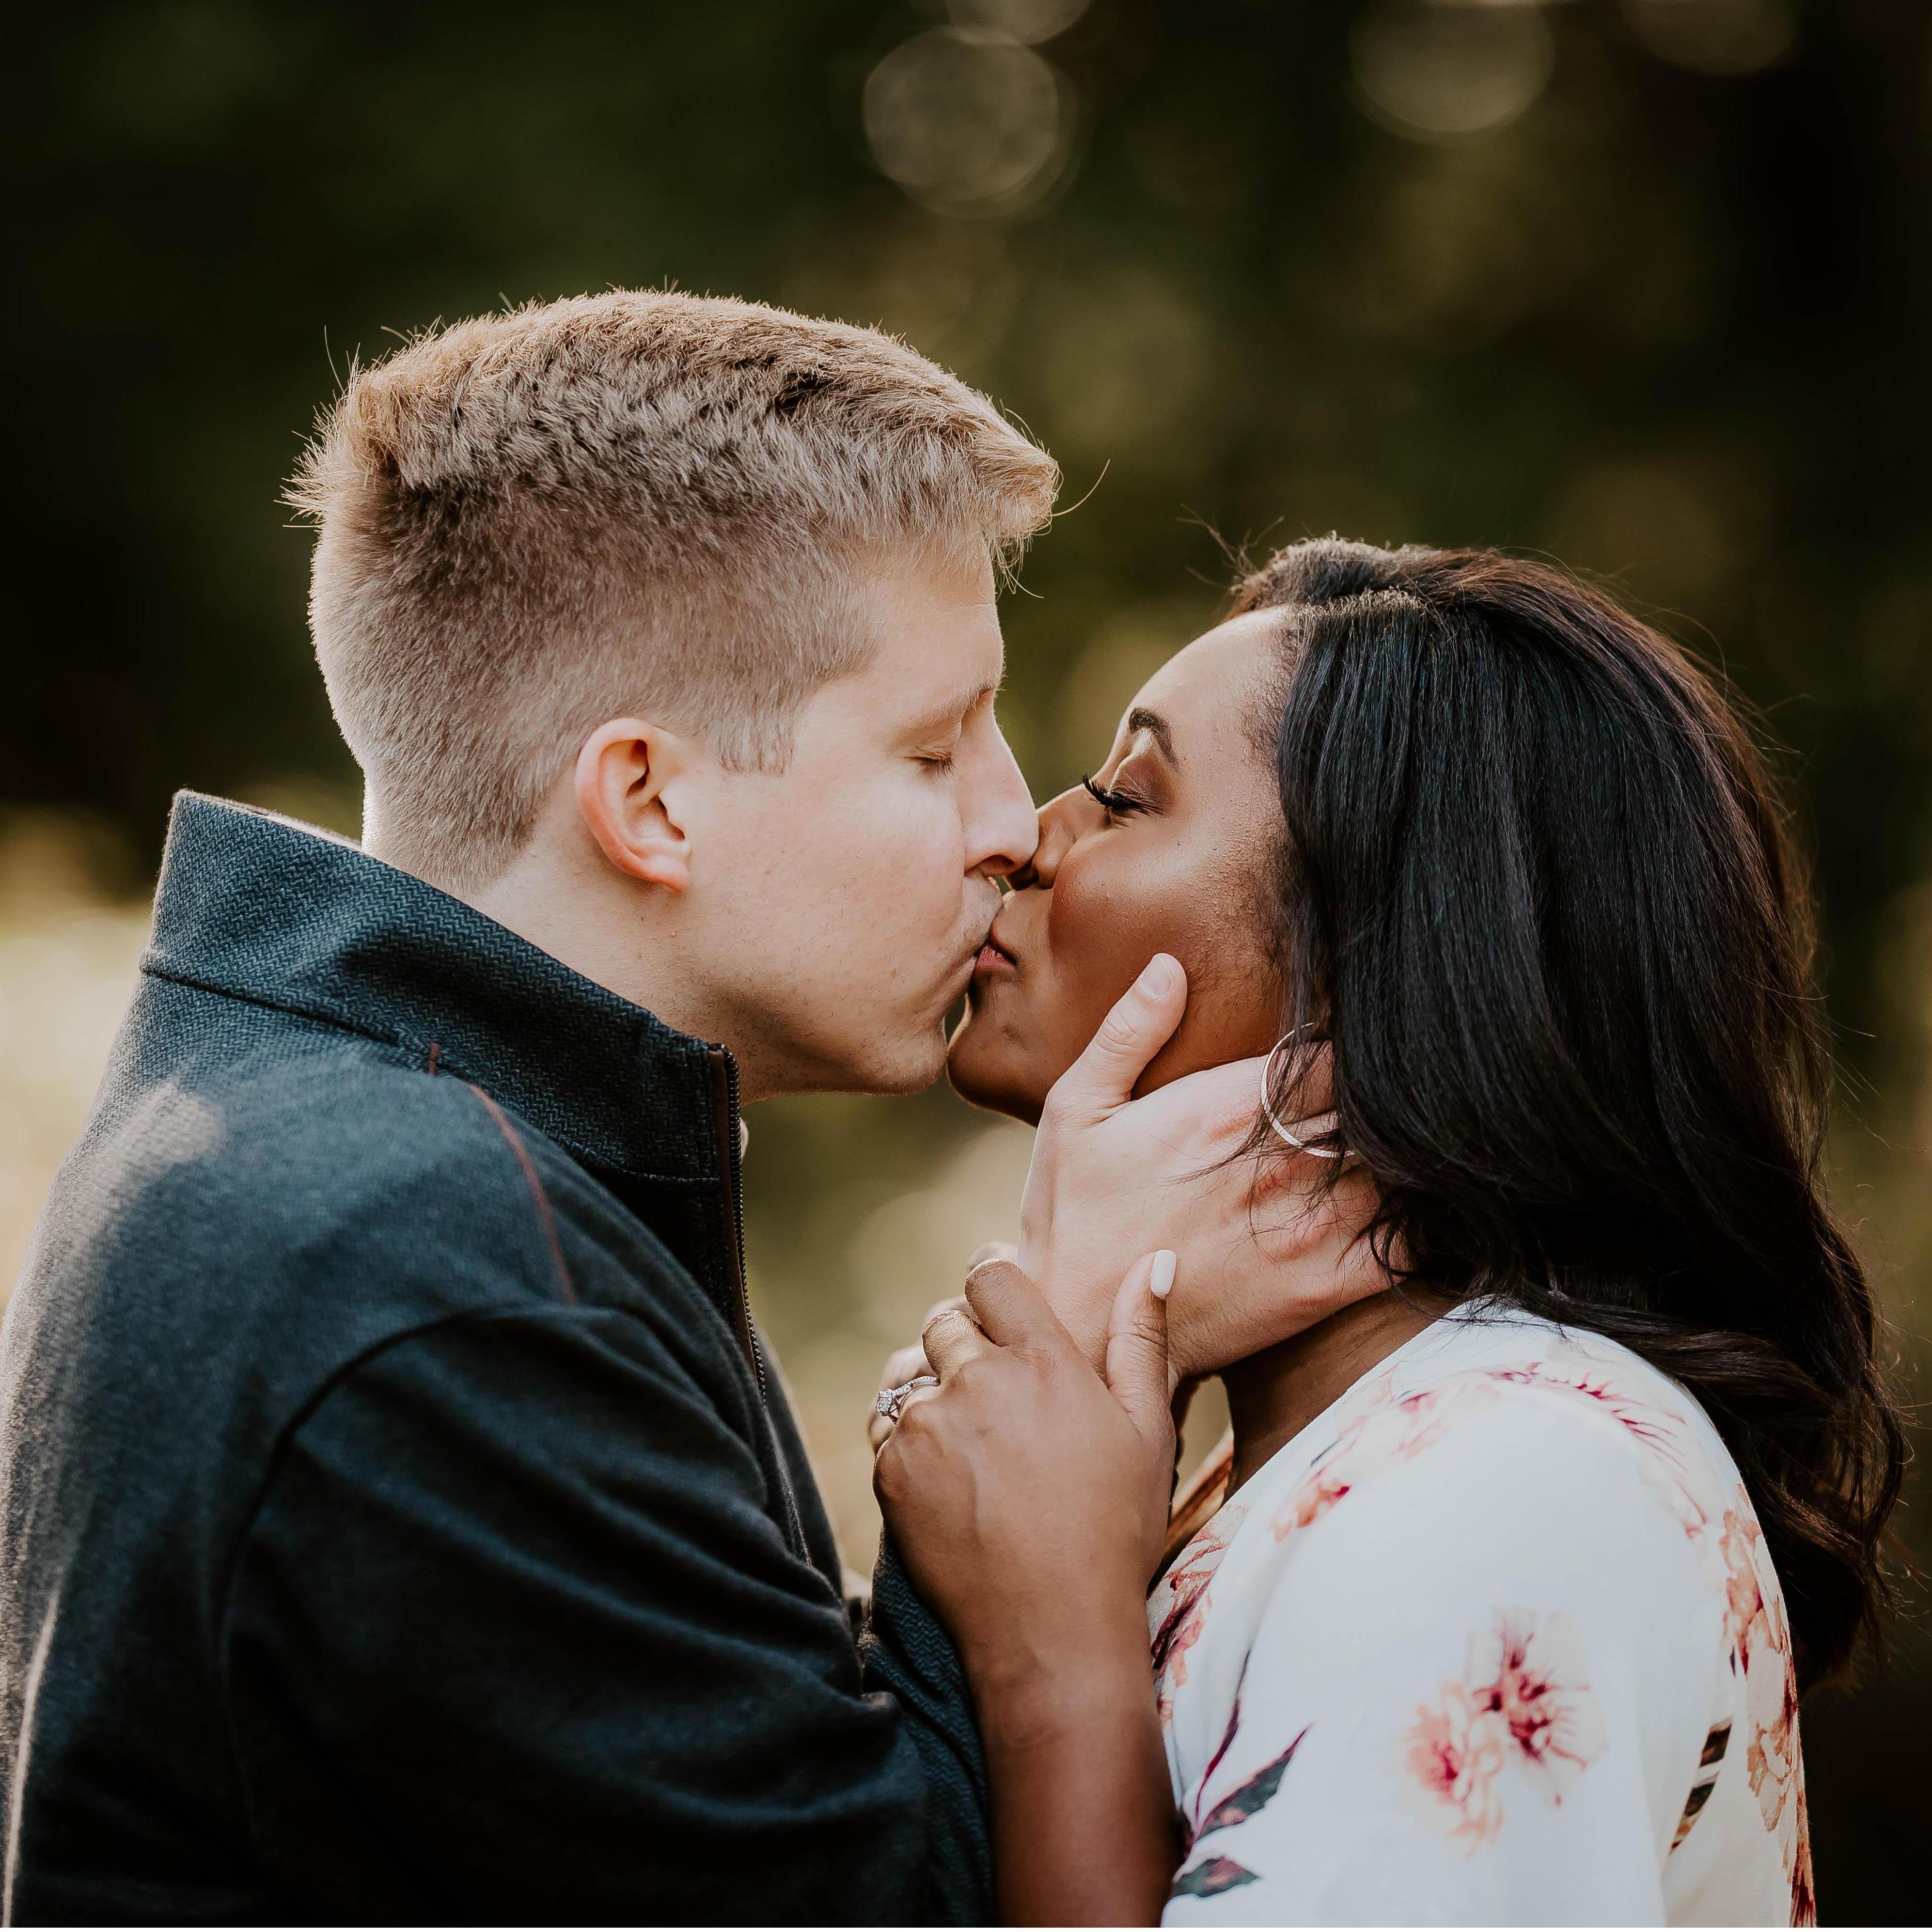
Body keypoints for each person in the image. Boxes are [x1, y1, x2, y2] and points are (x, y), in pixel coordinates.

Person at [0, 293, 1363, 1923]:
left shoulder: (347, 1142)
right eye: (933, 750)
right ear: (649, 799)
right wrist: (1055, 1363)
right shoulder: (441, 1283)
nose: (1014, 823)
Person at [876, 539, 1906, 1926]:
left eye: (1125, 797)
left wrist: (1050, 1653)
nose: (1028, 837)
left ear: (1373, 980)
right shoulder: (1322, 1458)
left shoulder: (1501, 1484)